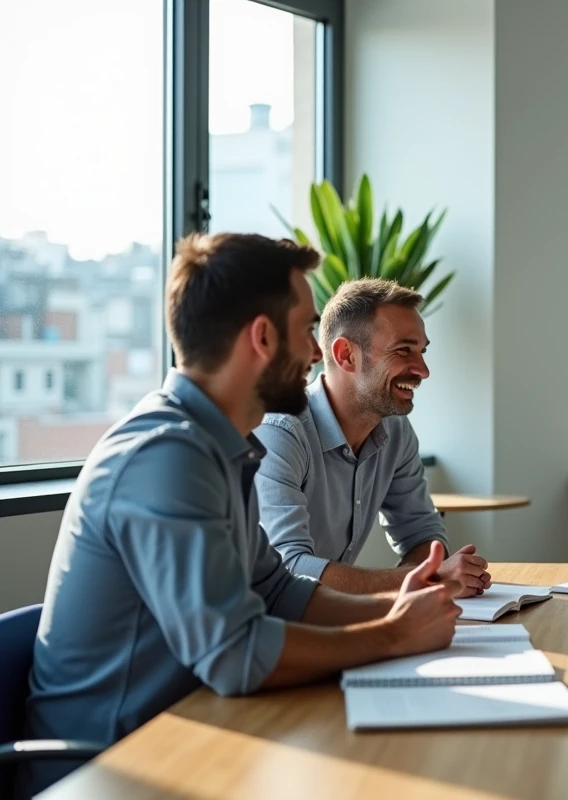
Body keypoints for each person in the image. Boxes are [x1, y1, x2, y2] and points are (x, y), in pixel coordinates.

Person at [18, 235, 461, 799]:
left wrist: (396, 607)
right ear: (262, 337)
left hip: (191, 729)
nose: (315, 354)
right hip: (112, 767)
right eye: (307, 332)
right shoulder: (166, 456)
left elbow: (276, 589)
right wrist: (391, 635)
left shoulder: (222, 446)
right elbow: (235, 655)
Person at [254, 278, 491, 597]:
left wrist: (420, 581)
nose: (422, 369)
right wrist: (421, 580)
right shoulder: (280, 433)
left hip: (329, 618)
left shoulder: (395, 430)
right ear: (346, 355)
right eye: (404, 350)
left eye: (421, 351)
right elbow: (291, 569)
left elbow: (423, 535)